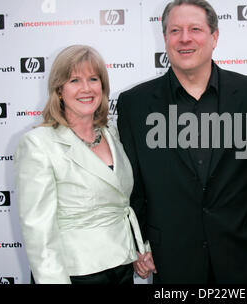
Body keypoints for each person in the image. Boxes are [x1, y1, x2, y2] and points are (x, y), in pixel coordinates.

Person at [117, 0, 247, 283]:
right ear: (164, 38)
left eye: (195, 29)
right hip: (170, 259)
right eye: (175, 31)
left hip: (243, 255)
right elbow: (132, 186)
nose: (184, 39)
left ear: (214, 37)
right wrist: (138, 244)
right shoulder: (135, 105)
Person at [14, 45, 148, 284]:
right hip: (75, 273)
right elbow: (38, 231)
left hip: (122, 267)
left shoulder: (113, 134)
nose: (86, 88)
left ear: (103, 87)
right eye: (74, 80)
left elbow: (123, 202)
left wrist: (139, 246)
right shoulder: (38, 144)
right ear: (59, 89)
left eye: (93, 79)